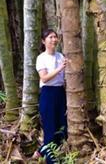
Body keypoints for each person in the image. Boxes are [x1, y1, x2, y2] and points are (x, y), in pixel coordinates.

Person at [35, 29, 67, 163]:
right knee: (50, 127)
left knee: (62, 125)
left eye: (55, 37)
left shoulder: (60, 56)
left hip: (60, 92)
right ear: (44, 41)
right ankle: (50, 160)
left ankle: (43, 151)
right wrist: (60, 68)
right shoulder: (41, 58)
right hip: (48, 93)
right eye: (50, 37)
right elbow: (44, 78)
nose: (54, 39)